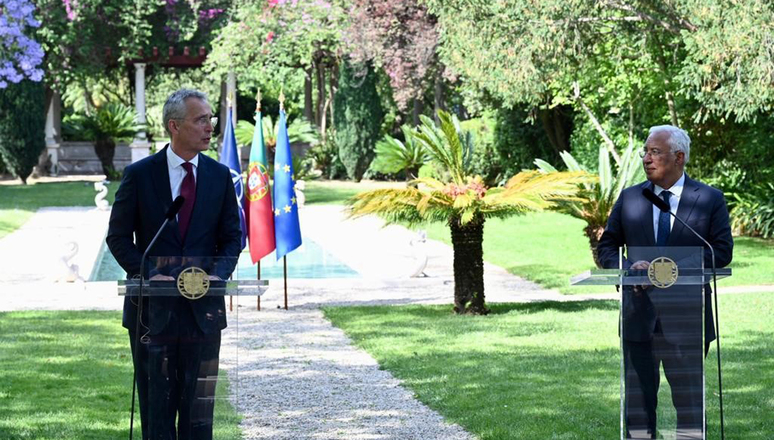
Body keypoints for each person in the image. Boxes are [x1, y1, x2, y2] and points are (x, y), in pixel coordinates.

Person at [107, 89, 243, 439]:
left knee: (199, 419)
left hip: (204, 314)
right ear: (174, 126)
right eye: (201, 120)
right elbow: (118, 238)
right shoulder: (140, 175)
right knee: (158, 417)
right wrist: (152, 274)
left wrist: (218, 273)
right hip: (151, 313)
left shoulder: (219, 176)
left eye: (210, 119)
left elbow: (233, 238)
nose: (209, 127)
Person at [597, 125, 733, 439]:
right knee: (638, 406)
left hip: (687, 319)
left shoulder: (709, 199)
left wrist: (668, 268)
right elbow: (607, 247)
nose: (646, 158)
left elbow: (721, 252)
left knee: (688, 405)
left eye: (655, 152)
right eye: (646, 151)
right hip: (638, 317)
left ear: (679, 157)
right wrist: (629, 267)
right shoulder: (631, 198)